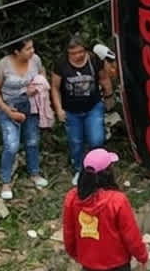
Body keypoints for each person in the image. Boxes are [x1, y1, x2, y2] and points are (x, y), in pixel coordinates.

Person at [63, 148, 149, 271]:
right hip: (118, 264)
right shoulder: (117, 201)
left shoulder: (72, 198)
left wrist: (78, 256)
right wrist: (142, 257)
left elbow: (69, 234)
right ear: (108, 173)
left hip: (88, 264)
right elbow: (131, 236)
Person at [0, 38, 49, 199]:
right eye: (28, 49)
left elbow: (42, 72)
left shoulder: (35, 60)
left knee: (32, 141)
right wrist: (7, 111)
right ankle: (6, 182)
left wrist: (38, 85)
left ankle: (34, 173)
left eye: (32, 47)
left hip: (31, 106)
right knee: (12, 145)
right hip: (10, 106)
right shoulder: (3, 65)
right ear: (17, 51)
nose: (32, 51)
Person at [52, 33, 114, 186]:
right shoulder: (61, 64)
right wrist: (59, 109)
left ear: (85, 50)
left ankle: (98, 169)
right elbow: (55, 88)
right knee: (76, 141)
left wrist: (109, 96)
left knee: (96, 139)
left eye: (80, 52)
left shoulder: (93, 60)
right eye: (73, 53)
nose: (78, 55)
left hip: (93, 106)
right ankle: (80, 169)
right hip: (71, 110)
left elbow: (104, 78)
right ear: (68, 52)